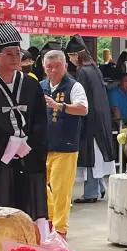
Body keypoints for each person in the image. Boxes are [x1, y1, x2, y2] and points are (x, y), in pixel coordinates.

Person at [0, 24, 48, 220]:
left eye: (18, 53)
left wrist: (28, 145)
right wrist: (10, 144)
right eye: (9, 54)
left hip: (28, 157)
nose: (15, 58)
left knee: (29, 209)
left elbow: (40, 120)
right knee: (0, 209)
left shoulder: (31, 84)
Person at [39, 50, 88, 236]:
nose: (52, 71)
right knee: (39, 185)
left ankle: (60, 229)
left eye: (57, 67)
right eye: (49, 67)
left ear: (65, 66)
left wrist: (59, 106)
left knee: (61, 191)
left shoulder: (74, 86)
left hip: (65, 146)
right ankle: (50, 220)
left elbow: (83, 109)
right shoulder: (41, 86)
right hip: (43, 145)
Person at [67, 38, 116, 205]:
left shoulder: (82, 72)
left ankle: (91, 192)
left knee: (91, 157)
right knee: (97, 157)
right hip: (101, 118)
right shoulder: (94, 68)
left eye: (70, 56)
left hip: (91, 119)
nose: (70, 60)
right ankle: (99, 188)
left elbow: (82, 99)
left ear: (76, 55)